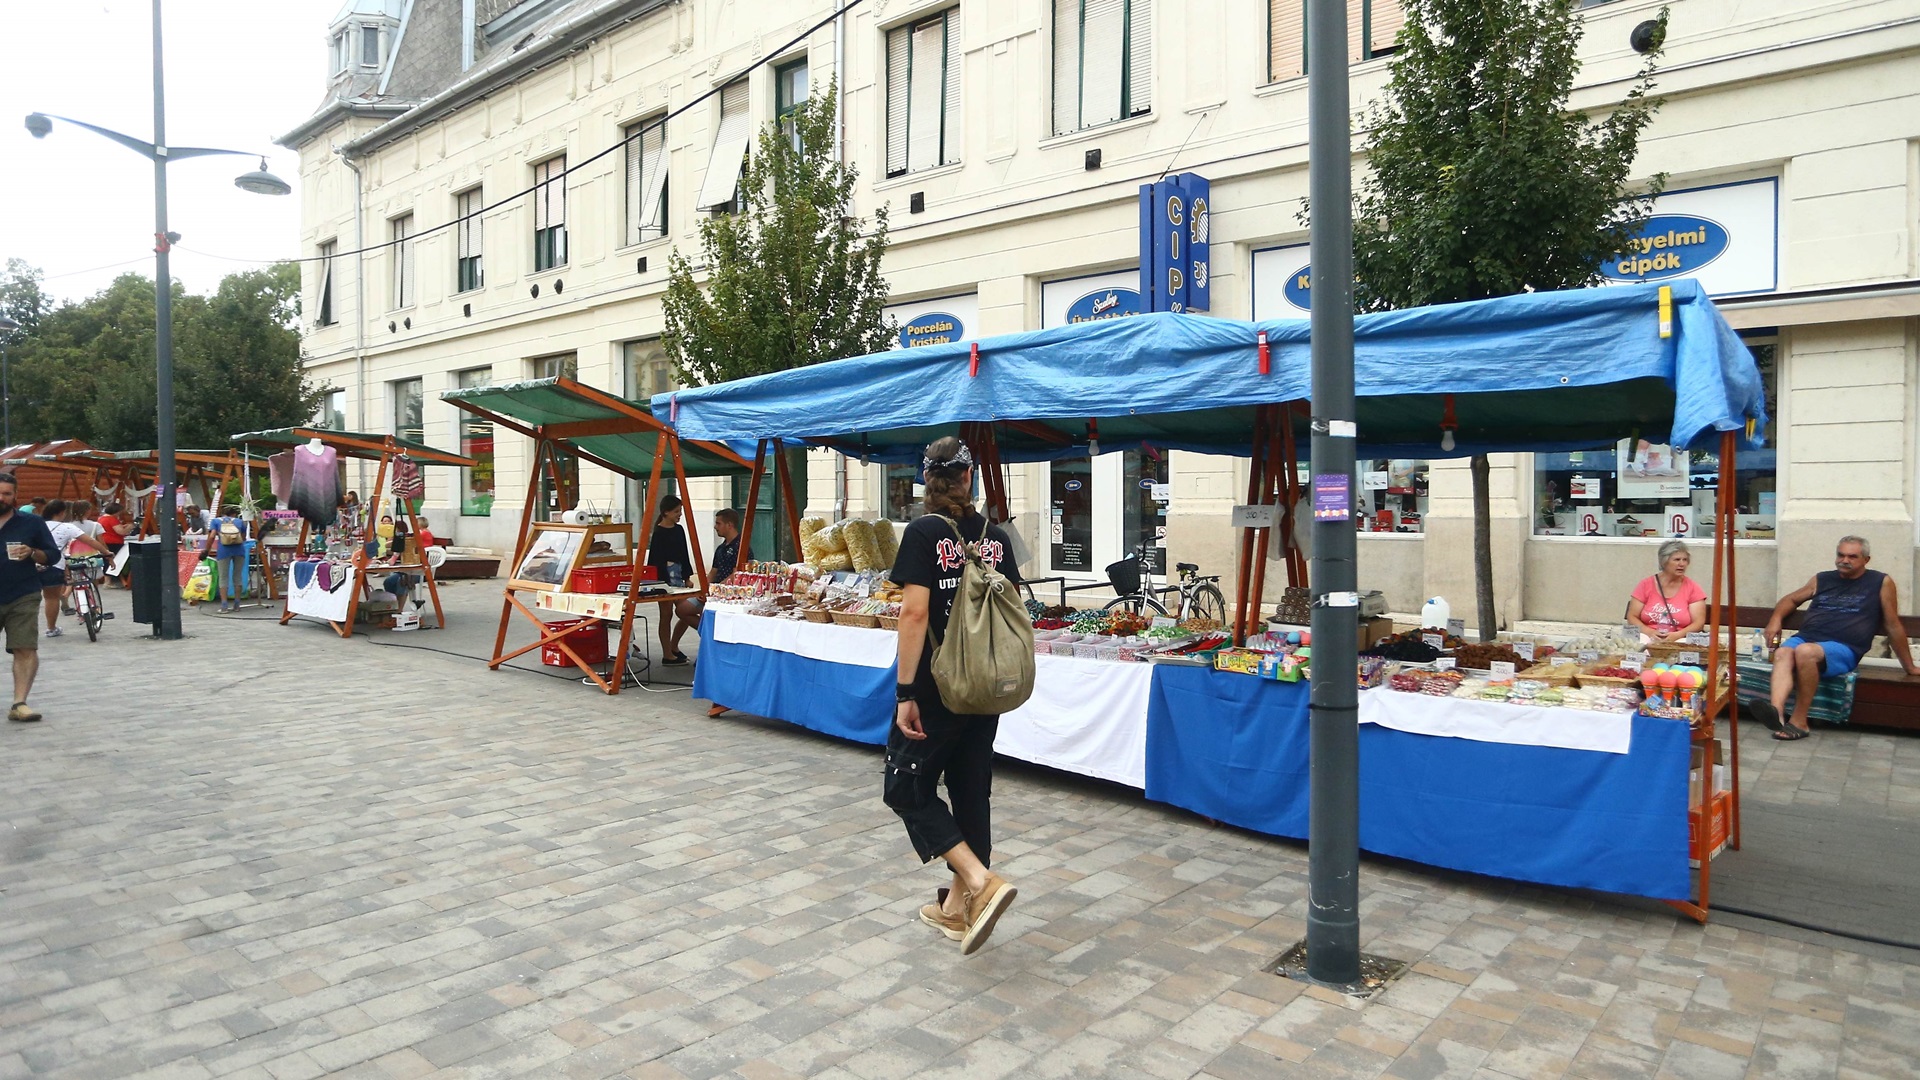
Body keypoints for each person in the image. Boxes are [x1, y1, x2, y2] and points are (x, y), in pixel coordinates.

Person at [884, 436, 1020, 955]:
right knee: (971, 792)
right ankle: (955, 910)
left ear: (927, 481)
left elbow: (914, 614)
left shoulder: (922, 533)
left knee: (904, 789)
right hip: (985, 683)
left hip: (938, 685)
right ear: (969, 479)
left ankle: (980, 882)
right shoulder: (996, 537)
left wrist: (905, 691)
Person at [1758, 535, 1920, 740]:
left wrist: (1910, 667)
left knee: (1805, 651)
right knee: (1783, 652)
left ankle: (1799, 721)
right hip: (1808, 637)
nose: (1844, 560)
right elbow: (1791, 599)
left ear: (1866, 560)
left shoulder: (1880, 582)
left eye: (1852, 556)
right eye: (1841, 555)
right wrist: (1775, 620)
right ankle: (1777, 713)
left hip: (1844, 647)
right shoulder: (1822, 578)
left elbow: (1892, 624)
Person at [0, 474, 61, 721]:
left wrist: (32, 552)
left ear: (15, 496)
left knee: (25, 647)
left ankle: (19, 703)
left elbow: (52, 555)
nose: (1, 497)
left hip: (22, 592)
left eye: (6, 493)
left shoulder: (32, 523)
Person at [38, 500, 111, 637]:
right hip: (53, 565)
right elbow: (90, 541)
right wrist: (106, 553)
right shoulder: (66, 527)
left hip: (32, 564)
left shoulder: (36, 525)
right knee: (51, 598)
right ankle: (51, 628)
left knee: (29, 598)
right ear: (61, 512)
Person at [646, 495, 701, 664]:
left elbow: (684, 554)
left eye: (680, 511)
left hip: (678, 575)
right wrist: (659, 583)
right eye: (677, 511)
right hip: (664, 578)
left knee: (686, 609)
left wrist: (687, 577)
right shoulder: (658, 533)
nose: (679, 515)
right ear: (666, 512)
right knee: (666, 614)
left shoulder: (679, 530)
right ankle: (667, 653)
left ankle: (674, 646)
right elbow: (655, 560)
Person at [1627, 540, 1707, 644]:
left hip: (1680, 637)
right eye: (1677, 560)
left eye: (1685, 560)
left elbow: (1698, 622)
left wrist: (1677, 635)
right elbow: (1632, 616)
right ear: (1664, 562)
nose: (1682, 564)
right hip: (1648, 636)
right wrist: (1650, 632)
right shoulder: (1646, 585)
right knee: (1639, 643)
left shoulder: (1693, 588)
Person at [201, 504, 249, 613]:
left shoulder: (216, 521)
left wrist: (206, 550)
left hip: (224, 551)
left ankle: (224, 606)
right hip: (239, 550)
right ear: (234, 514)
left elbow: (212, 536)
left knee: (223, 577)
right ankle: (237, 605)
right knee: (237, 576)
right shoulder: (240, 522)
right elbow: (243, 538)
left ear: (222, 513)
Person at [98, 501, 130, 589]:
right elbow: (120, 532)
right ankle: (108, 582)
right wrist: (129, 527)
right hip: (113, 542)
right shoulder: (112, 519)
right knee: (114, 560)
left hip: (104, 541)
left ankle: (107, 581)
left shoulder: (101, 518)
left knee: (107, 560)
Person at [711, 507, 741, 584]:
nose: (715, 527)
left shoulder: (741, 547)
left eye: (718, 524)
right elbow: (713, 571)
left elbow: (737, 574)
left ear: (729, 525)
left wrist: (719, 587)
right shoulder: (721, 548)